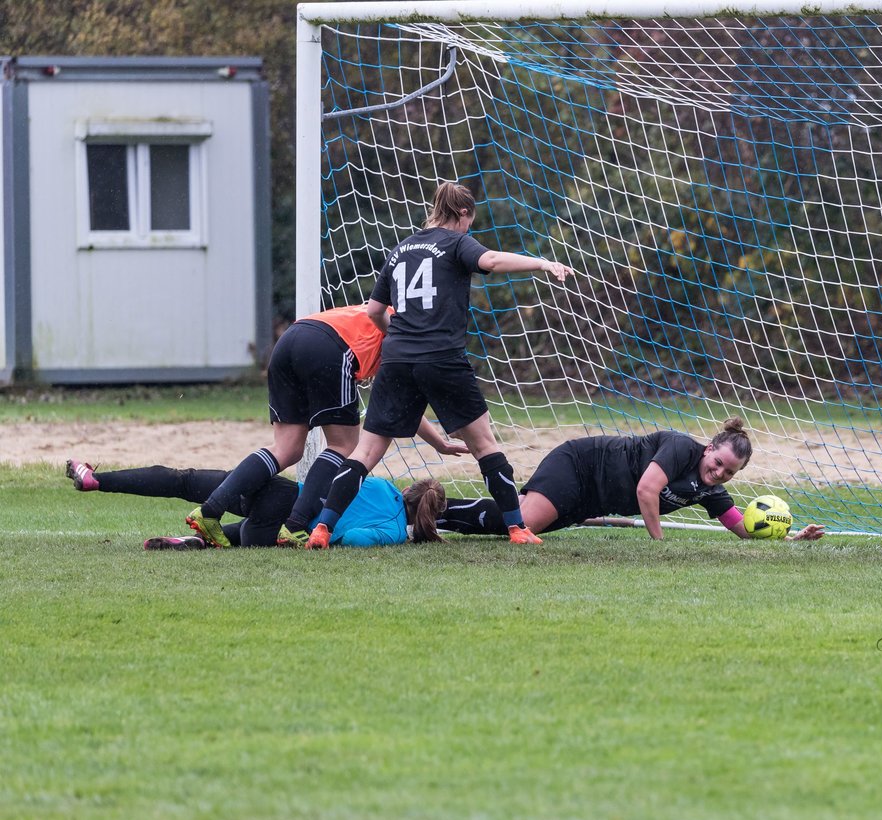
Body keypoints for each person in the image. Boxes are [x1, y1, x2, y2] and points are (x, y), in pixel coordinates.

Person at [306, 181, 573, 549]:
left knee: (364, 453)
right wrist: (543, 263)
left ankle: (321, 528)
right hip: (442, 358)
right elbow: (491, 261)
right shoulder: (457, 242)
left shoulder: (401, 249)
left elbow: (373, 311)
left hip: (397, 359)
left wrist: (397, 336)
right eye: (470, 222)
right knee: (484, 445)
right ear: (463, 214)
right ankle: (517, 528)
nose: (470, 230)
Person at [185, 303, 468, 549]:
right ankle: (295, 524)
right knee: (344, 445)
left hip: (293, 338)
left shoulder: (394, 317)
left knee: (287, 449)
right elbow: (403, 404)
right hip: (332, 350)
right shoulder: (411, 335)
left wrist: (438, 442)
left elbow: (399, 403)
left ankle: (210, 511)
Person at [436, 417, 825, 541]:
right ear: (709, 448)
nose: (719, 473)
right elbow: (647, 489)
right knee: (521, 523)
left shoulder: (710, 489)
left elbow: (741, 527)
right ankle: (429, 508)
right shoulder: (679, 448)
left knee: (518, 526)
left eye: (729, 472)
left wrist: (788, 536)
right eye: (719, 462)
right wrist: (659, 543)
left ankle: (430, 513)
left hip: (591, 499)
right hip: (580, 464)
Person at [68, 458, 447, 549]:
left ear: (410, 490)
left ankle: (97, 479)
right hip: (278, 529)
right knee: (246, 537)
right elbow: (353, 539)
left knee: (184, 480)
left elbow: (337, 481)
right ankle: (191, 543)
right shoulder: (395, 532)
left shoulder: (381, 485)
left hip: (278, 493)